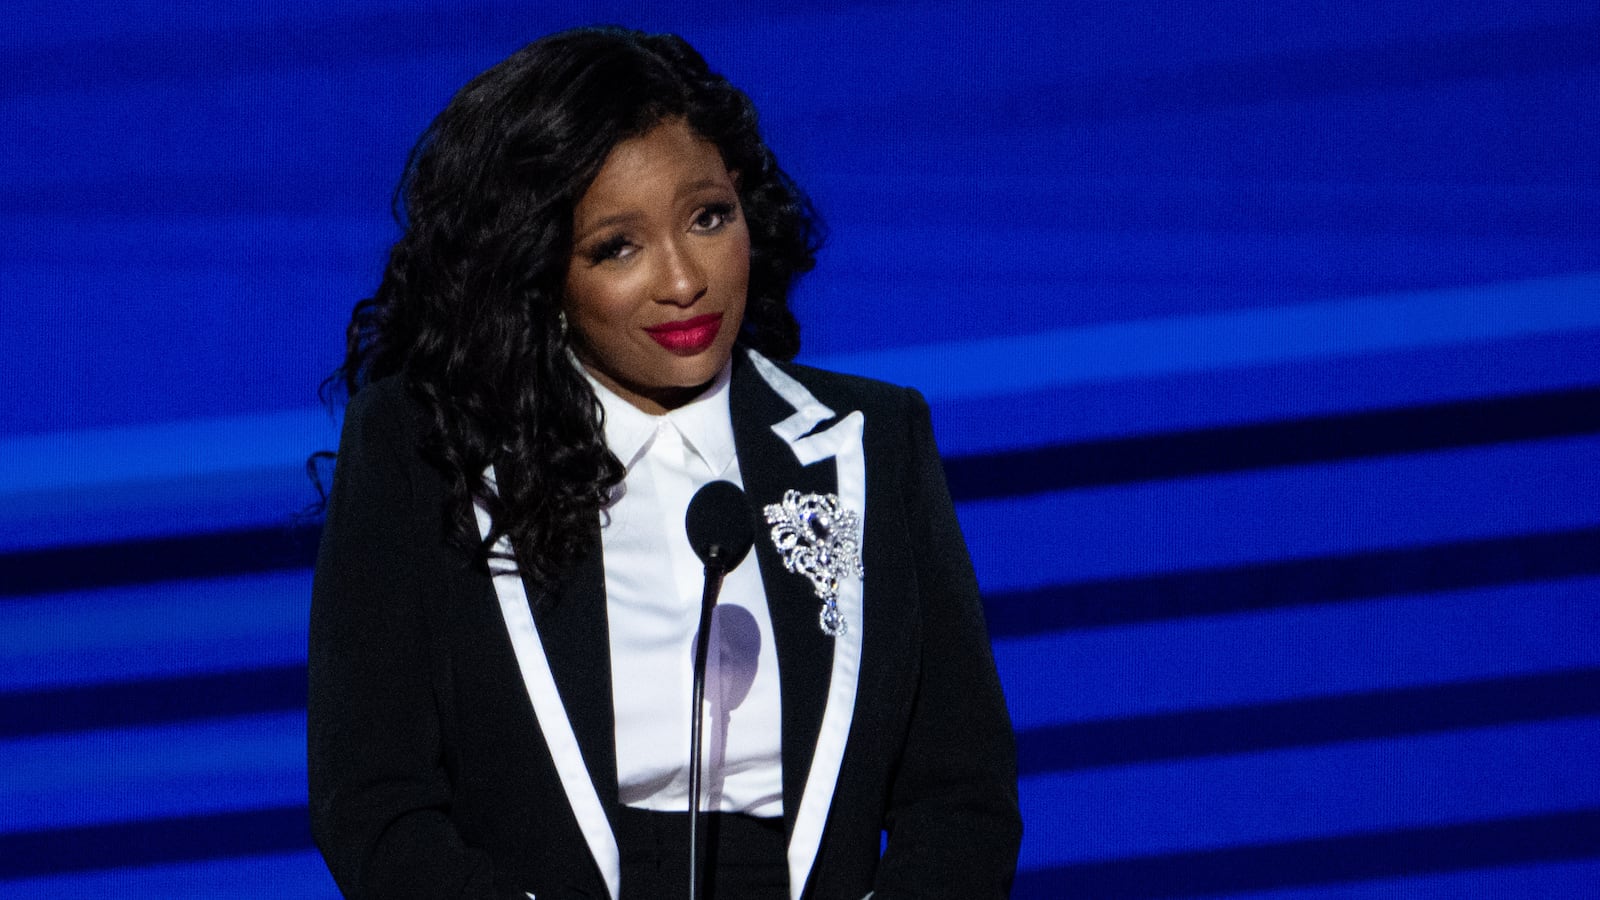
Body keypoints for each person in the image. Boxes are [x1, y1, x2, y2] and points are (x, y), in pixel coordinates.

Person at [308, 25, 1020, 900]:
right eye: (618, 246)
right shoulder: (425, 448)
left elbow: (963, 797)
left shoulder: (874, 440)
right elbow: (375, 804)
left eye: (709, 218)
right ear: (542, 272)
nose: (683, 280)